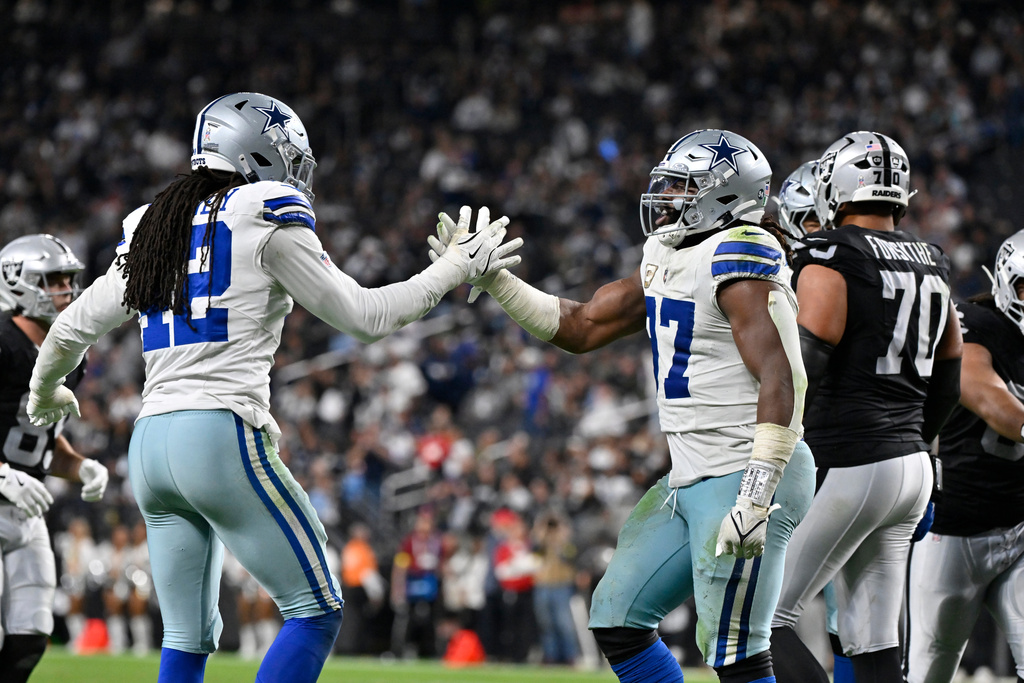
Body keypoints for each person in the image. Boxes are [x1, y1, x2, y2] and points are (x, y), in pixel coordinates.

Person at [24, 91, 520, 683]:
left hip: (150, 446)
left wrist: (45, 392)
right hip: (218, 435)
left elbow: (73, 325)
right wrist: (455, 267)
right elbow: (366, 316)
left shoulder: (153, 224)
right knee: (317, 609)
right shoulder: (265, 212)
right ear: (254, 151)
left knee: (185, 638)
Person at [432, 128, 815, 683]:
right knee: (618, 619)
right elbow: (584, 325)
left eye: (685, 188)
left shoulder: (741, 251)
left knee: (736, 654)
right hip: (691, 476)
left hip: (747, 470)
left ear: (726, 198)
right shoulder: (667, 255)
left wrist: (758, 490)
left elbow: (783, 373)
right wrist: (497, 281)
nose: (669, 199)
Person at [770, 131, 964, 683]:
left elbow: (806, 364)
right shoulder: (933, 261)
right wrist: (912, 439)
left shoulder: (831, 253)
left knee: (754, 624)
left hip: (852, 459)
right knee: (873, 644)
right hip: (911, 464)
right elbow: (949, 376)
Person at [905, 231, 1024, 683]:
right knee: (928, 671)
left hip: (1019, 524)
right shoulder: (975, 320)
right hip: (954, 531)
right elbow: (981, 392)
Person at [0, 234, 110, 683]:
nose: (66, 289)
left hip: (27, 509)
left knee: (32, 633)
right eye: (53, 280)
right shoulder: (2, 344)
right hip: (6, 490)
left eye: (68, 279)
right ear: (17, 283)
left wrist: (78, 464)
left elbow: (41, 442)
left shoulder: (69, 354)